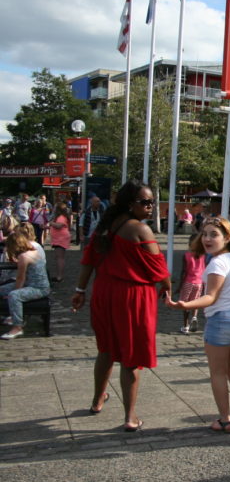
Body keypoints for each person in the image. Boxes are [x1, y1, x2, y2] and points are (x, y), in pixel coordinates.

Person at [70, 181, 170, 431]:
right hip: (133, 296)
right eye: (145, 202)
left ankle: (97, 400)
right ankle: (130, 417)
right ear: (130, 204)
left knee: (106, 350)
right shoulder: (140, 230)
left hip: (104, 293)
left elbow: (88, 260)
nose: (150, 207)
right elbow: (159, 268)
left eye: (152, 202)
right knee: (131, 356)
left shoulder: (104, 227)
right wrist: (168, 287)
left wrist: (80, 290)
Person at [167, 217, 230, 434]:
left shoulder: (217, 263)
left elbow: (211, 297)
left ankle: (225, 420)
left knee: (217, 372)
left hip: (222, 321)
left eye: (213, 234)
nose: (207, 238)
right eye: (204, 234)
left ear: (227, 237)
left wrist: (184, 305)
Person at [0, 229, 50, 340]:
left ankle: (17, 326)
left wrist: (13, 292)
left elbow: (20, 279)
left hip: (39, 288)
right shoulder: (33, 252)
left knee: (14, 295)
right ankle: (12, 317)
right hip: (32, 284)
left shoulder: (24, 257)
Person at [177, 233, 207, 334]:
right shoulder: (203, 256)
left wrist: (179, 285)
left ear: (190, 244)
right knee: (195, 302)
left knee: (185, 304)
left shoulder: (186, 255)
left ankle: (185, 326)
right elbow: (204, 269)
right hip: (199, 283)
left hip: (188, 282)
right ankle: (194, 317)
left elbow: (184, 271)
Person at [48, 202, 72, 282]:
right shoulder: (61, 217)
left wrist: (51, 223)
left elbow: (58, 226)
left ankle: (59, 276)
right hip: (59, 238)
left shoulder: (61, 217)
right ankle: (59, 275)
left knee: (60, 258)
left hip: (60, 239)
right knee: (59, 257)